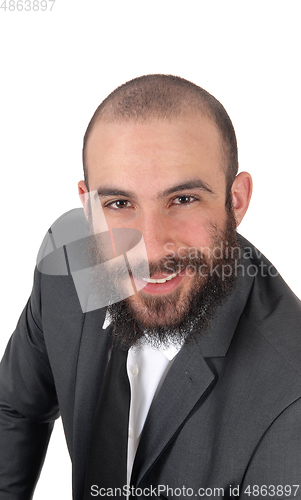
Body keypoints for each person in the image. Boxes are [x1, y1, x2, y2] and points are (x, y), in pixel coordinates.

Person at [0, 74, 300, 500]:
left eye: (183, 199)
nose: (151, 248)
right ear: (89, 209)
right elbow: (15, 408)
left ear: (237, 200)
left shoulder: (291, 400)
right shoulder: (66, 268)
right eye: (119, 204)